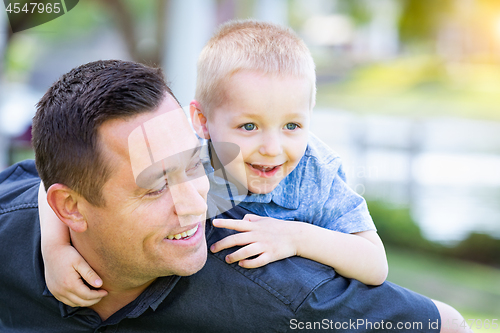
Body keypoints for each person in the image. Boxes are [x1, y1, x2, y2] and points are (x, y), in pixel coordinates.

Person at [0, 60, 469, 332]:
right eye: (156, 185)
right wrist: (53, 246)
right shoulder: (13, 230)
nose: (192, 204)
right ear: (70, 208)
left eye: (192, 166)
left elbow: (448, 325)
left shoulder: (277, 291)